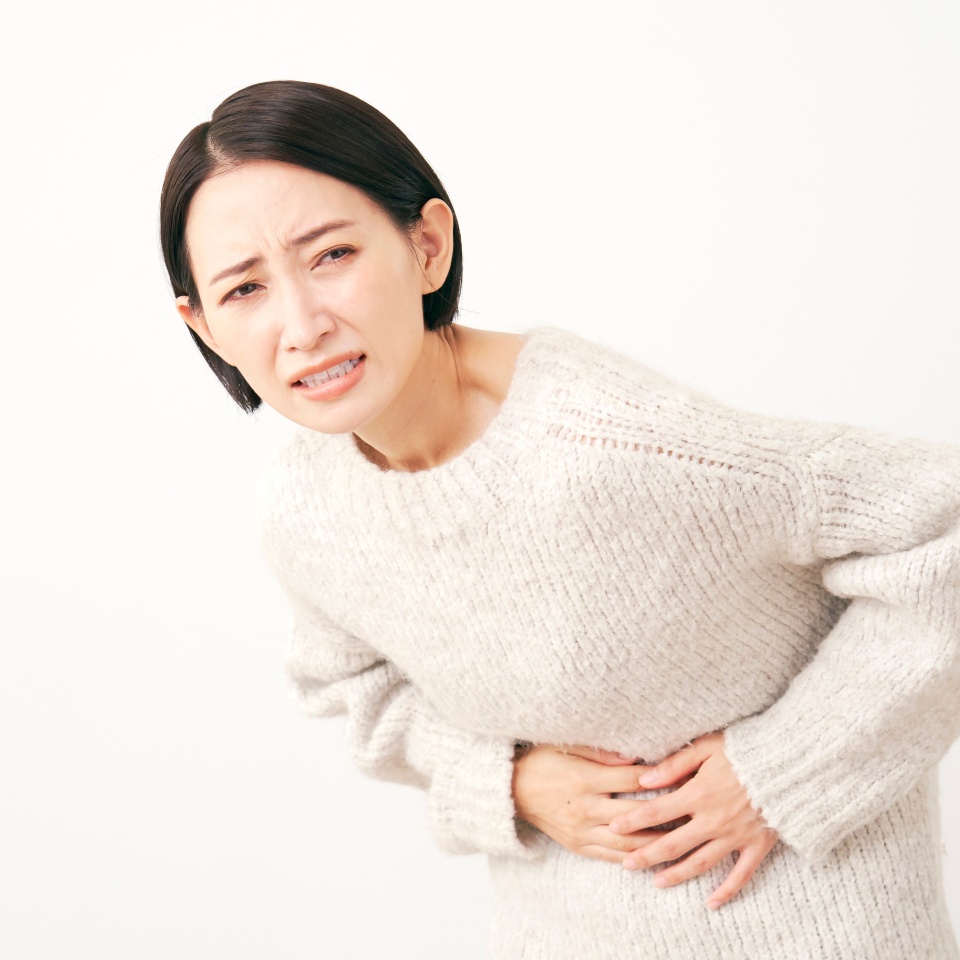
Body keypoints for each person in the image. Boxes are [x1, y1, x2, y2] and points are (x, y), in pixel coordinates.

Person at [160, 80, 960, 959]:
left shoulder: (609, 442)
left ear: (426, 246)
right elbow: (360, 694)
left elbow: (940, 531)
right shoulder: (304, 507)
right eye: (244, 290)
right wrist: (511, 782)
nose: (303, 324)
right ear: (202, 326)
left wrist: (783, 771)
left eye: (332, 256)